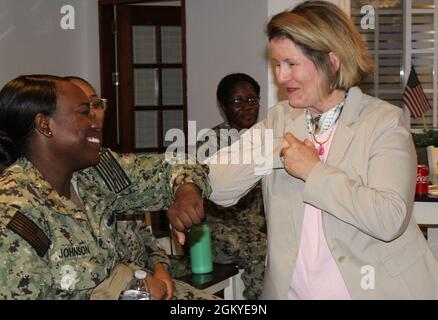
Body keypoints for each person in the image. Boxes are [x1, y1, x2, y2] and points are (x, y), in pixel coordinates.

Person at [169, 1, 438, 299]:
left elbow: (389, 219)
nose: (281, 77)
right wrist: (278, 150)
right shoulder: (279, 120)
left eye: (292, 64)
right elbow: (218, 186)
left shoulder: (382, 122)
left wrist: (313, 171)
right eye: (277, 64)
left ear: (331, 62)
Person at [0, 74, 216, 300]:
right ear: (45, 125)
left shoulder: (93, 173)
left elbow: (176, 164)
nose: (95, 120)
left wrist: (186, 192)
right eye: (84, 112)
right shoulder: (14, 212)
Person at [64, 75, 219, 300]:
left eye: (97, 104)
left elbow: (177, 164)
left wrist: (160, 267)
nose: (93, 114)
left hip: (153, 283)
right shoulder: (38, 190)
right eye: (83, 108)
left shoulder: (106, 165)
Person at [171, 73, 267, 300]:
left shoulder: (264, 136)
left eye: (252, 100)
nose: (247, 107)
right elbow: (190, 188)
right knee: (259, 247)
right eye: (237, 101)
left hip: (255, 227)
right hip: (213, 231)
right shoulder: (211, 143)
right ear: (223, 106)